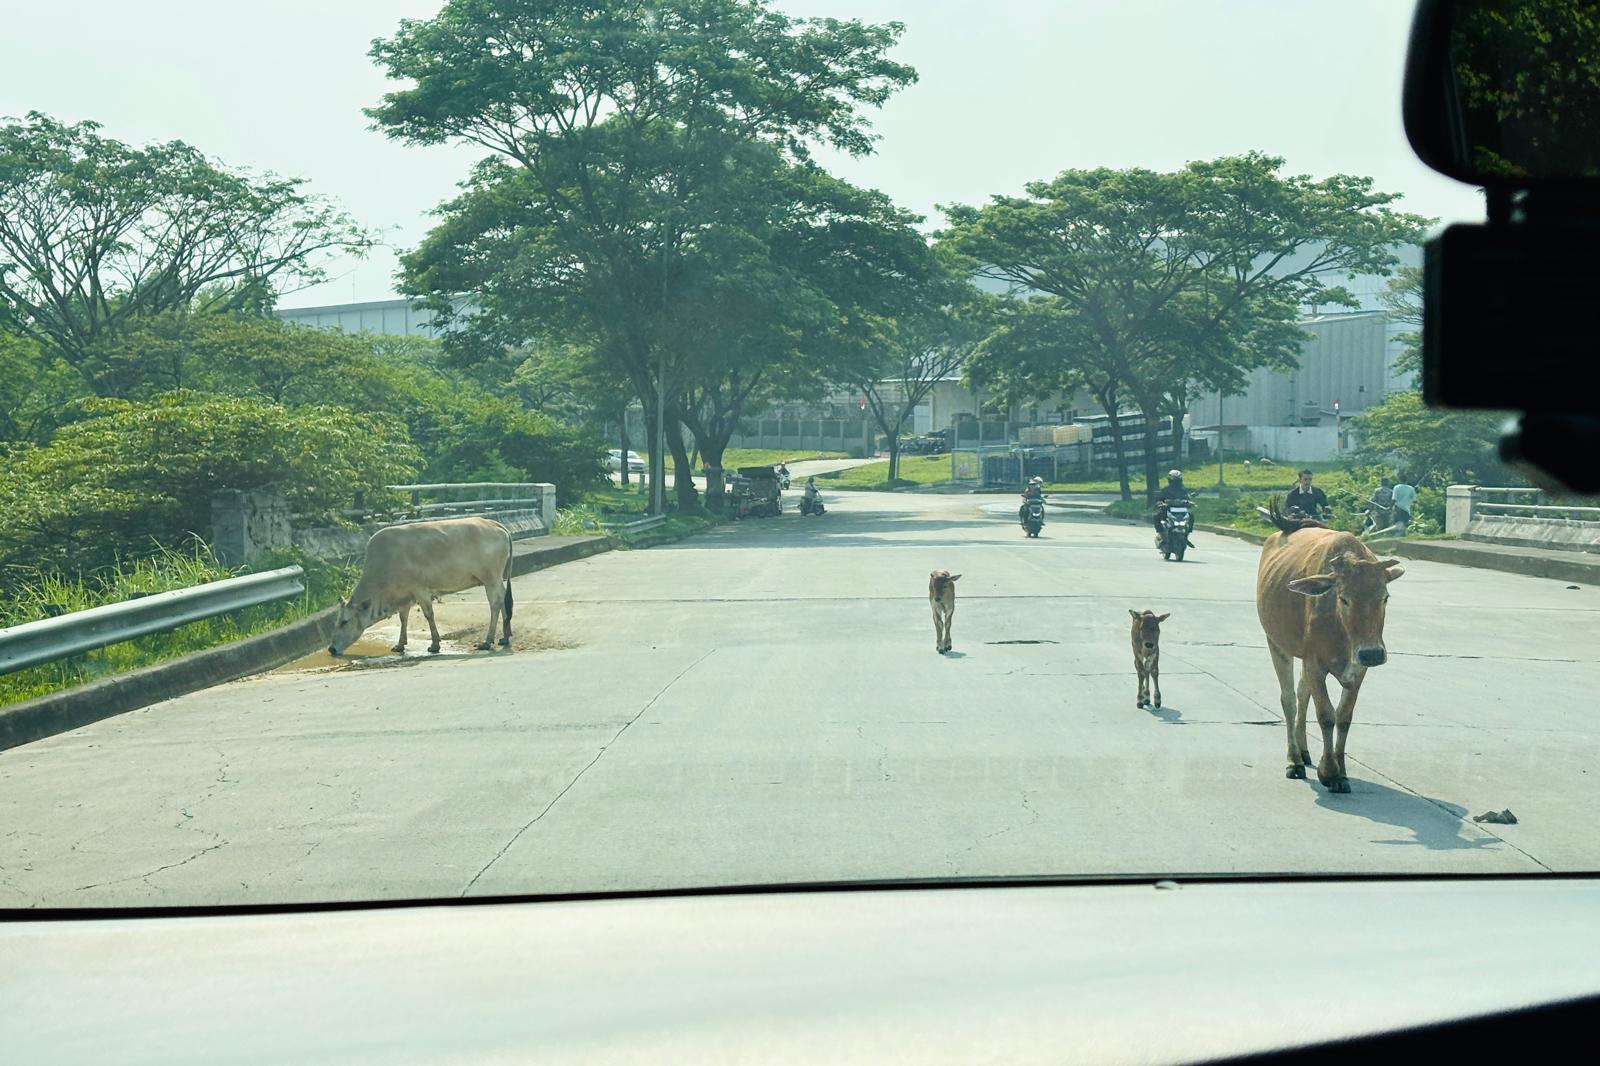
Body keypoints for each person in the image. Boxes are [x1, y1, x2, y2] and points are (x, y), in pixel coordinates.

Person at [1152, 470, 1191, 543]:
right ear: (1170, 480)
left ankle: (1186, 535)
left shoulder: (1183, 490)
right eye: (1174, 481)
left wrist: (1189, 503)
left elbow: (1187, 498)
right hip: (1168, 509)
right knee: (1156, 516)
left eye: (1177, 481)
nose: (1175, 483)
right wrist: (1160, 503)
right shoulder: (1165, 490)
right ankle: (1162, 536)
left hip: (1181, 510)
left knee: (1191, 516)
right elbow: (1159, 499)